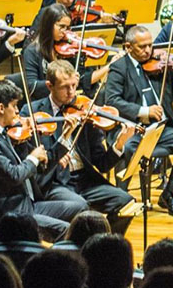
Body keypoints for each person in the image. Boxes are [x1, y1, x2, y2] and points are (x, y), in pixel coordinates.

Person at [104, 23, 173, 218]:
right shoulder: (119, 68)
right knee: (130, 148)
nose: (148, 50)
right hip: (134, 128)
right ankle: (122, 198)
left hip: (162, 129)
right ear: (128, 47)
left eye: (150, 45)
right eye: (142, 46)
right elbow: (112, 101)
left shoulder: (161, 65)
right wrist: (144, 111)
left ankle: (169, 193)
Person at [31, 59, 137, 235]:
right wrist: (63, 138)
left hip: (85, 180)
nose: (71, 92)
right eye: (65, 87)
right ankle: (85, 250)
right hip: (56, 183)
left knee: (126, 201)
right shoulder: (36, 114)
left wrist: (119, 144)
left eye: (74, 85)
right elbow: (41, 163)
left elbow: (102, 164)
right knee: (83, 210)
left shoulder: (85, 110)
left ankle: (106, 245)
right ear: (50, 86)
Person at [0, 78, 84, 241]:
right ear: (1, 108)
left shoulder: (9, 132)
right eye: (14, 106)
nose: (18, 111)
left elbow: (40, 167)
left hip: (29, 203)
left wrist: (63, 136)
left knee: (81, 208)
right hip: (12, 212)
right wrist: (33, 157)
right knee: (65, 231)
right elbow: (14, 175)